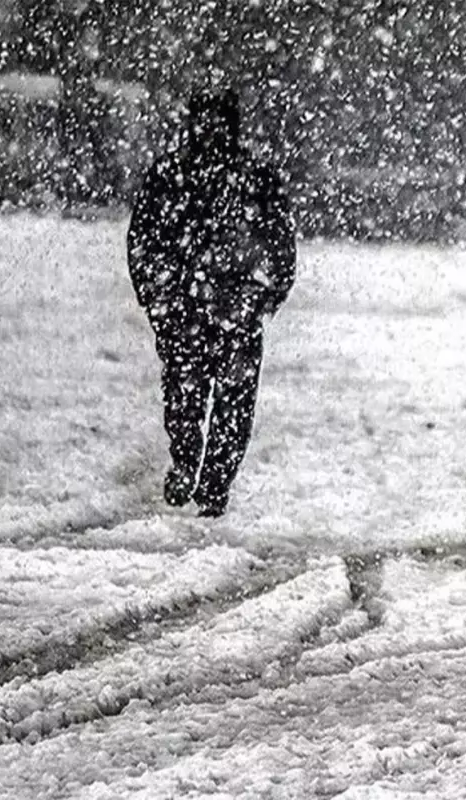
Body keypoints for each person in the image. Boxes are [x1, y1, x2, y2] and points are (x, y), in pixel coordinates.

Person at [127, 87, 296, 517]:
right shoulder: (241, 179)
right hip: (209, 311)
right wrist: (161, 297)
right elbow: (144, 244)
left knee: (202, 398)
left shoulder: (179, 177)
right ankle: (201, 476)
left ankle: (202, 475)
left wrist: (161, 295)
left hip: (210, 310)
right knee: (212, 402)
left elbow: (279, 251)